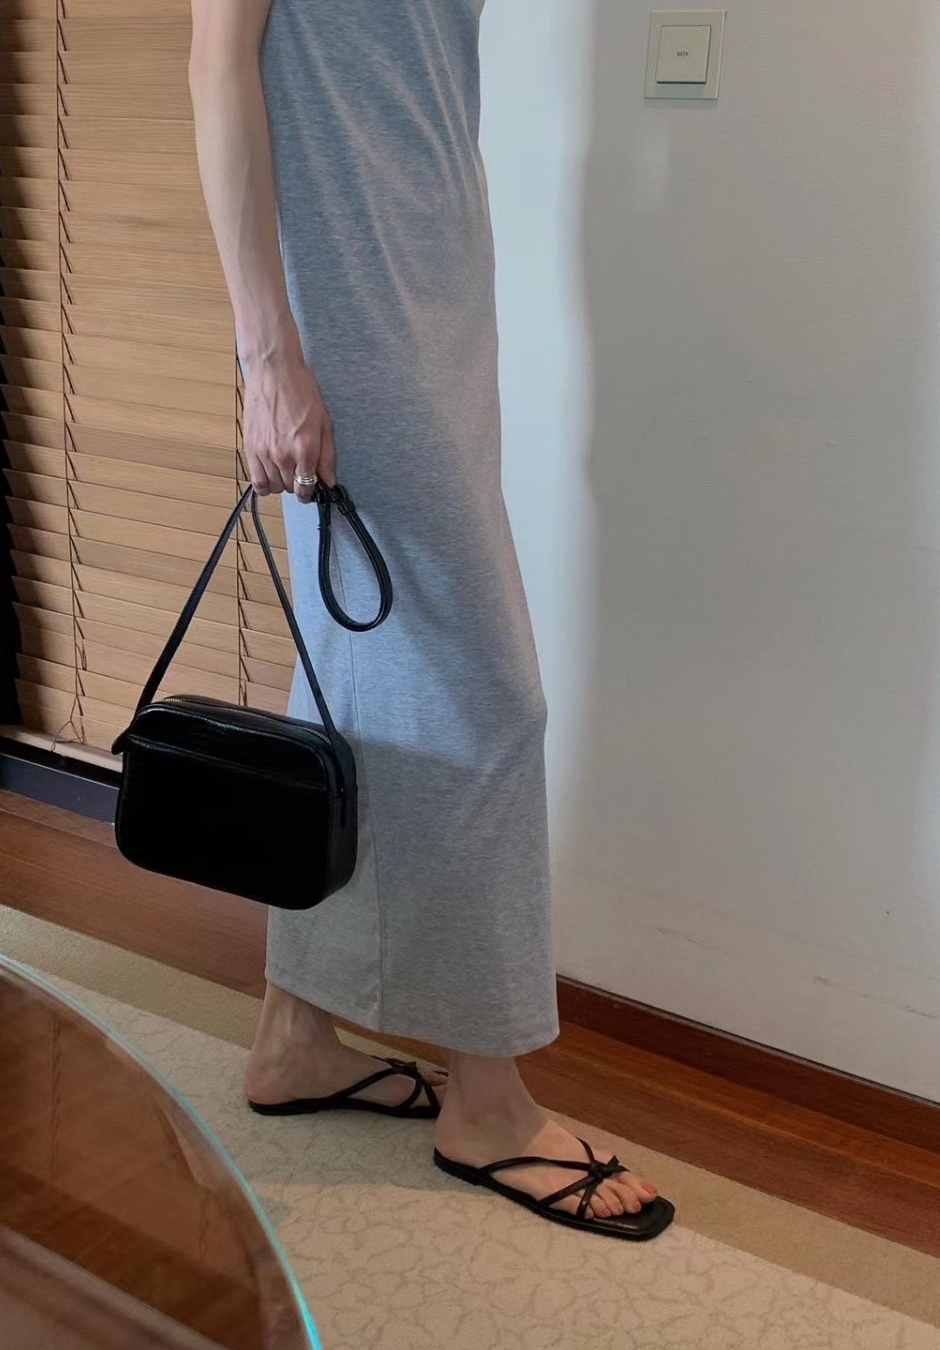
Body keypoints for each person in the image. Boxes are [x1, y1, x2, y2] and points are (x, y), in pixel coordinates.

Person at [188, 0, 673, 1238]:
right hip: (351, 300)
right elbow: (217, 61)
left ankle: (295, 1032)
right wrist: (267, 358)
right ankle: (490, 1104)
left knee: (353, 675)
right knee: (489, 693)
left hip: (436, 276)